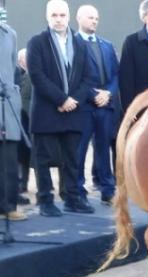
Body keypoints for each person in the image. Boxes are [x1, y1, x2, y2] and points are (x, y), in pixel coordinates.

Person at [27, 0, 99, 216]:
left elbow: (88, 77)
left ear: (69, 17)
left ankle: (72, 198)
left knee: (72, 159)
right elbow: (37, 76)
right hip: (47, 111)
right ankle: (46, 201)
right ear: (47, 17)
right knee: (43, 159)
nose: (58, 19)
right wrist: (61, 100)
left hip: (73, 111)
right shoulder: (37, 42)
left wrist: (73, 99)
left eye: (62, 15)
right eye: (54, 15)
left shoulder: (80, 45)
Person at [74, 4, 120, 206]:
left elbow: (116, 74)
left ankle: (107, 189)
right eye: (90, 17)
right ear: (79, 19)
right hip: (83, 106)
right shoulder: (71, 44)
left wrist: (108, 92)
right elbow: (73, 77)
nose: (94, 21)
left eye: (96, 18)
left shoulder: (107, 45)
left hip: (105, 105)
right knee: (80, 150)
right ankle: (77, 190)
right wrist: (93, 94)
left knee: (103, 149)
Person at [0, 22, 26, 221]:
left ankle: (8, 207)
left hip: (6, 104)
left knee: (8, 157)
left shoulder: (9, 33)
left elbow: (13, 71)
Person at [15, 48, 31, 206]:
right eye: (26, 58)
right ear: (20, 60)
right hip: (19, 120)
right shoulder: (17, 74)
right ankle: (21, 183)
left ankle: (24, 183)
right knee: (20, 154)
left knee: (27, 154)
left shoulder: (33, 75)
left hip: (28, 121)